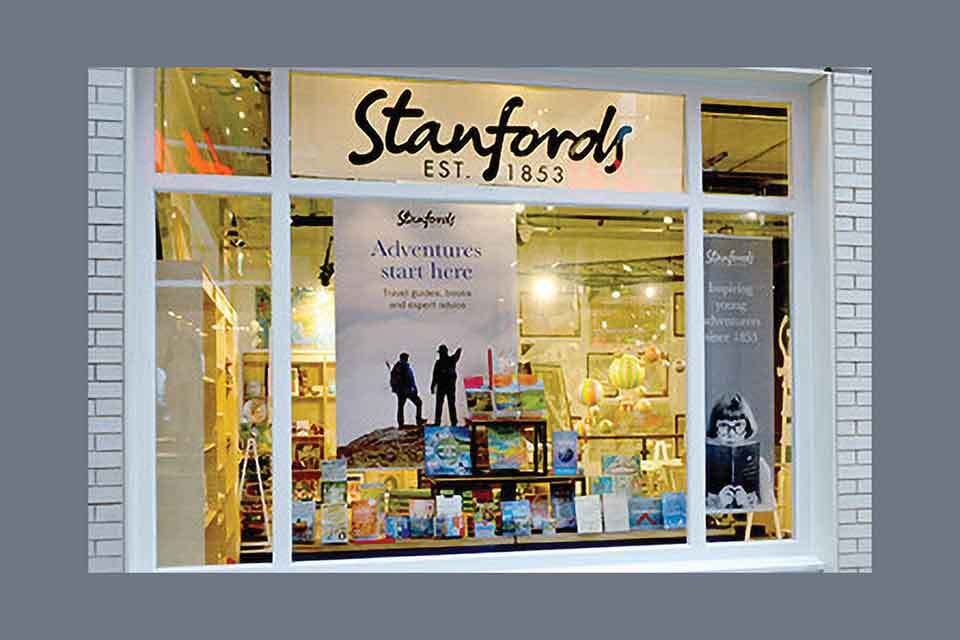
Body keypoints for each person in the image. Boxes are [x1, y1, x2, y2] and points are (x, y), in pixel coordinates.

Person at [390, 353, 424, 428]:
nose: (407, 359)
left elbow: (394, 379)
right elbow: (410, 379)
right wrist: (414, 389)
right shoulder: (404, 367)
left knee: (401, 407)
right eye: (406, 358)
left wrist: (395, 389)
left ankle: (401, 424)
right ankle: (418, 420)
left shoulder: (397, 367)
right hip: (407, 391)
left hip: (401, 391)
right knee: (418, 403)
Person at [430, 344, 462, 425]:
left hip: (443, 387)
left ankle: (439, 422)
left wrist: (433, 386)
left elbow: (434, 376)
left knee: (441, 405)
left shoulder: (441, 362)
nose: (441, 354)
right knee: (449, 404)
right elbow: (435, 376)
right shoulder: (451, 360)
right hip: (448, 387)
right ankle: (453, 422)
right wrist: (433, 385)